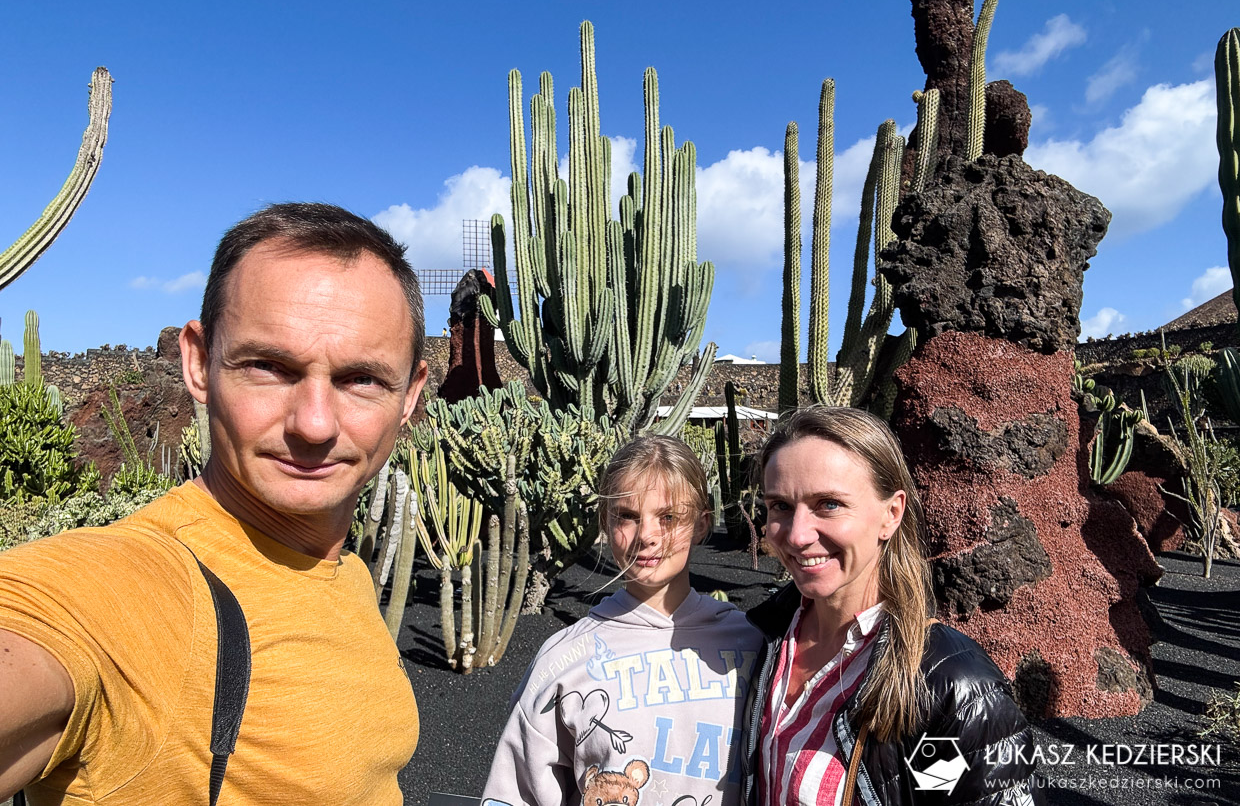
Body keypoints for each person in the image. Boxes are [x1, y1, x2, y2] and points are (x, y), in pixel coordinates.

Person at [0, 203, 428, 804]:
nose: (314, 424)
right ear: (198, 363)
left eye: (361, 379)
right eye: (269, 367)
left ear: (410, 395)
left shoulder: (344, 570)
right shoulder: (132, 588)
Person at [742, 406, 1043, 806]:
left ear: (891, 513)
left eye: (828, 504)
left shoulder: (946, 685)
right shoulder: (761, 642)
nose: (797, 536)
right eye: (780, 505)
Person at [482, 435, 763, 806]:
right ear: (605, 523)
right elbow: (516, 793)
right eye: (628, 516)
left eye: (669, 517)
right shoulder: (565, 660)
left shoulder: (754, 644)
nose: (646, 536)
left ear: (701, 523)